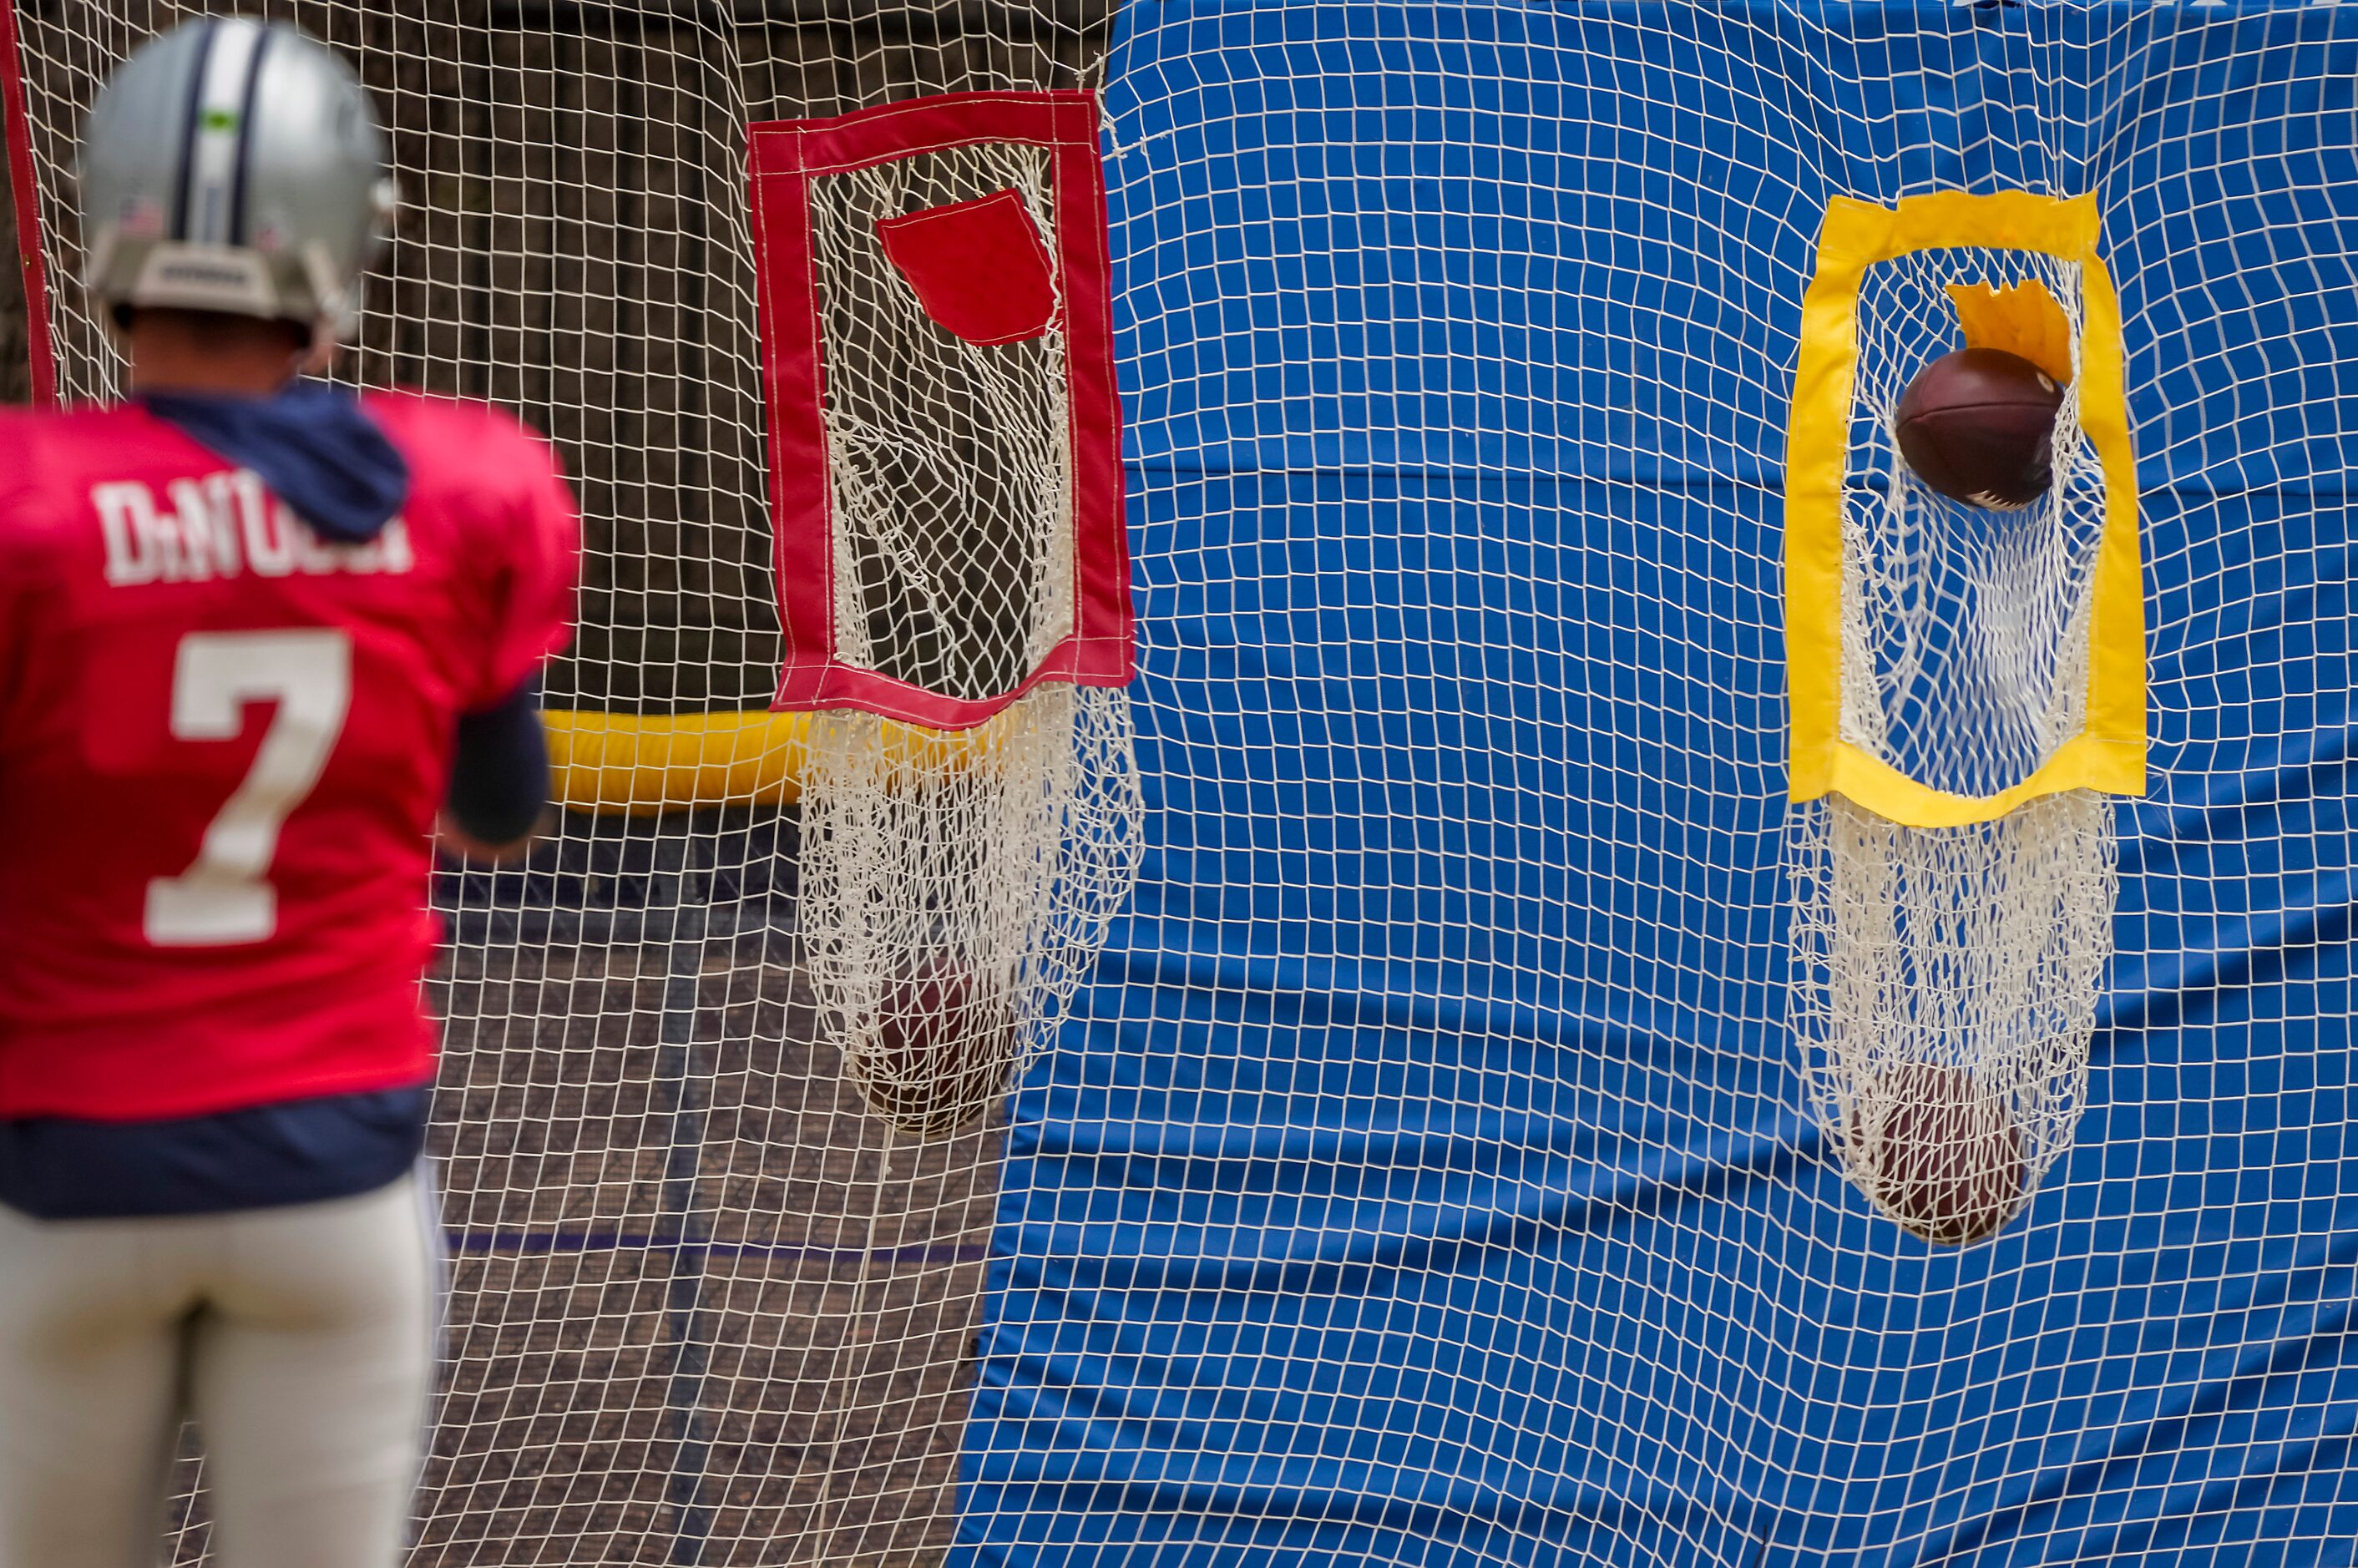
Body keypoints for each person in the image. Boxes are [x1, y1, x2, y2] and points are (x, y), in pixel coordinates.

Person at [0, 17, 579, 1566]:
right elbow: (502, 812)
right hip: (332, 1176)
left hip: (63, 1182)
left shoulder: (27, 506)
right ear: (337, 247)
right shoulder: (464, 485)